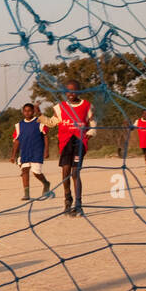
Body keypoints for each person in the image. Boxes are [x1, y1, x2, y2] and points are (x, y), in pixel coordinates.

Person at [57, 80, 96, 217]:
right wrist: (40, 117)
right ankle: (68, 200)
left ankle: (78, 205)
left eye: (74, 91)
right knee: (65, 172)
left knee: (75, 173)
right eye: (68, 91)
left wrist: (88, 135)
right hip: (66, 143)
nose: (71, 93)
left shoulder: (86, 105)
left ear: (79, 91)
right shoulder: (59, 107)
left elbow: (93, 124)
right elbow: (53, 122)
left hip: (79, 142)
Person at [10, 103, 52, 201]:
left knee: (36, 172)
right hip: (24, 152)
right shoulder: (19, 125)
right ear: (23, 112)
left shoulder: (39, 122)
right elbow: (16, 141)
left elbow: (45, 136)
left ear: (33, 111)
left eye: (29, 110)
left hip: (37, 151)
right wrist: (13, 155)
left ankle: (46, 183)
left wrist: (46, 150)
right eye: (25, 111)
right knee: (24, 171)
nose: (27, 112)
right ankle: (26, 194)